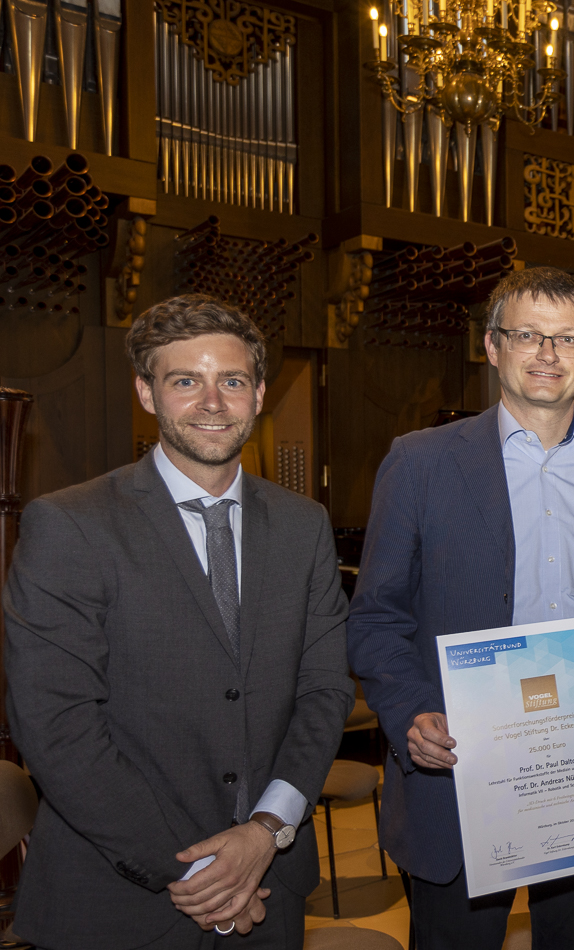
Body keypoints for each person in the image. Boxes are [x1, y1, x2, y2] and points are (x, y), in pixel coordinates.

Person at [3, 295, 354, 949]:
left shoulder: (303, 525)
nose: (212, 402)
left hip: (271, 885)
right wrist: (202, 872)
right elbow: (55, 727)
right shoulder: (72, 525)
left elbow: (324, 692)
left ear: (257, 395)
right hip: (121, 896)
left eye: (232, 381)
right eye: (185, 380)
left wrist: (265, 830)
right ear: (146, 392)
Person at [346, 266, 574, 949]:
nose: (547, 354)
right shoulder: (419, 463)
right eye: (527, 335)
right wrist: (410, 716)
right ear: (493, 347)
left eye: (565, 339)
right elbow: (376, 618)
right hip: (462, 769)